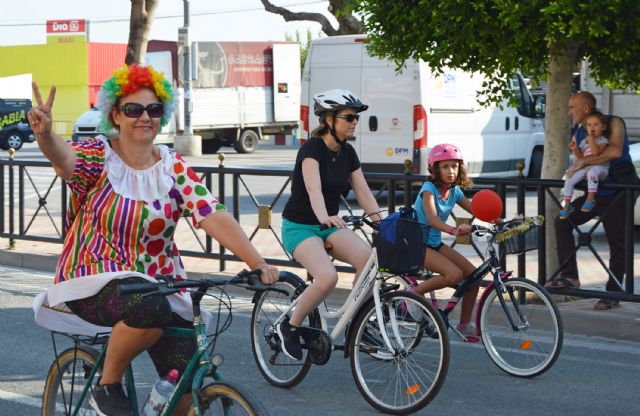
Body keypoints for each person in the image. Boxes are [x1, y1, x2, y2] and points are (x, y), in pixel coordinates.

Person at [30, 64, 279, 416]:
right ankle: (107, 386)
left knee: (184, 383)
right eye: (133, 109)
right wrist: (44, 135)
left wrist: (257, 262)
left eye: (153, 109)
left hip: (160, 283)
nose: (144, 117)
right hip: (94, 279)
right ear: (115, 114)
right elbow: (64, 158)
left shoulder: (172, 166)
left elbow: (211, 213)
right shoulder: (98, 157)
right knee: (149, 309)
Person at [276, 89, 382, 360]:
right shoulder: (311, 149)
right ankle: (289, 326)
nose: (354, 122)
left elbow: (363, 192)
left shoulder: (348, 153)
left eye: (356, 118)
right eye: (348, 117)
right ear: (329, 119)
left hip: (329, 225)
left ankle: (355, 323)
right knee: (327, 278)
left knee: (369, 261)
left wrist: (380, 222)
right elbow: (313, 189)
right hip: (300, 226)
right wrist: (323, 216)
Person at [545, 91, 635, 310]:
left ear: (585, 108)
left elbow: (613, 151)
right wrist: (577, 158)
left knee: (618, 243)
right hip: (595, 193)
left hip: (619, 191)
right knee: (563, 222)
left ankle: (613, 293)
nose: (568, 112)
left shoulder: (613, 122)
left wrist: (581, 164)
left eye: (571, 107)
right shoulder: (579, 130)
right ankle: (570, 277)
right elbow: (581, 158)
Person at [408, 143, 481, 336]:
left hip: (435, 244)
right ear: (435, 169)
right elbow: (431, 218)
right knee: (454, 275)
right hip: (418, 244)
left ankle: (464, 325)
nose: (451, 171)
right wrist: (453, 230)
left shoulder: (454, 191)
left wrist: (500, 220)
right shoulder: (428, 189)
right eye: (445, 166)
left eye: (455, 166)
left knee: (473, 277)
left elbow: (476, 210)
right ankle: (412, 294)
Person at [560, 111, 610, 218]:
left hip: (600, 169)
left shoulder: (603, 140)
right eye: (589, 125)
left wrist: (591, 141)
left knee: (592, 170)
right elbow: (582, 157)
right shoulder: (584, 141)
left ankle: (591, 198)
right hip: (587, 167)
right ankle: (567, 204)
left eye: (596, 125)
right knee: (570, 177)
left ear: (603, 127)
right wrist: (575, 149)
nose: (592, 127)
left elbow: (596, 153)